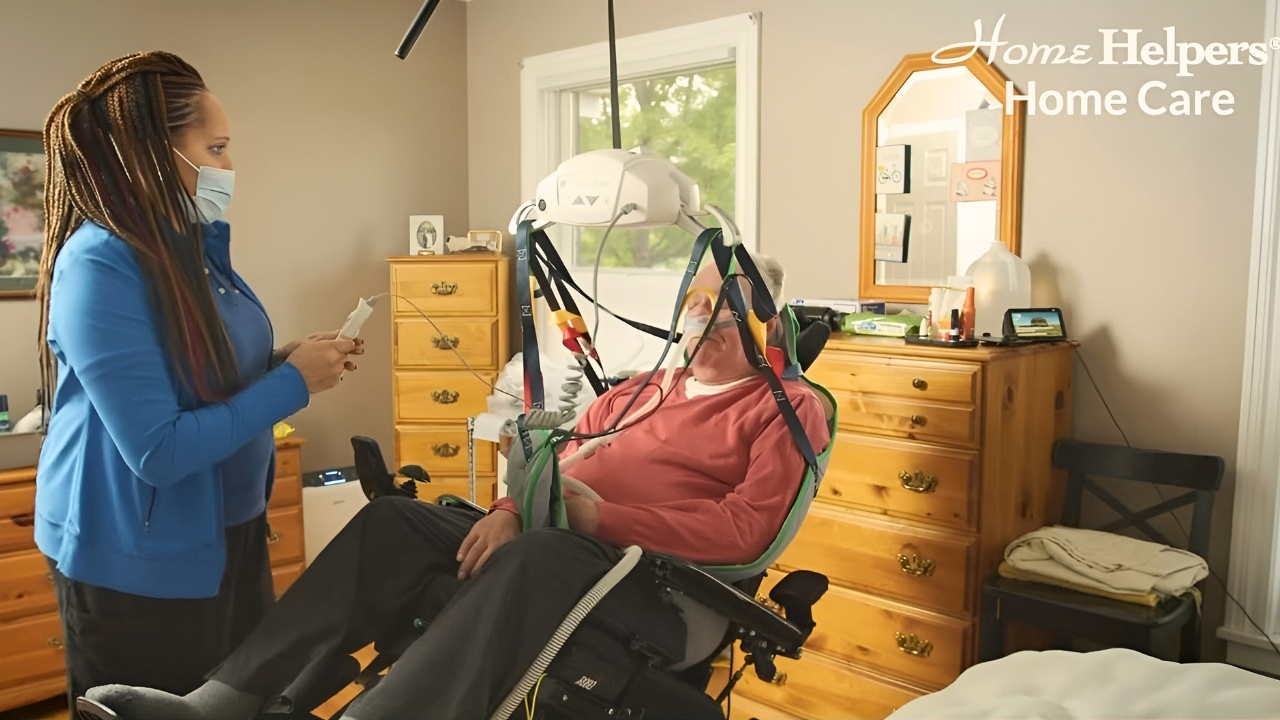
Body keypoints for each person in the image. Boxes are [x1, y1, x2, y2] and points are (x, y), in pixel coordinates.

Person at [80, 258, 830, 720]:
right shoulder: (638, 391)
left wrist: (610, 518)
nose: (707, 332)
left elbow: (747, 533)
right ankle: (220, 704)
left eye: (728, 319)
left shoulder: (788, 410)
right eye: (698, 314)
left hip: (662, 589)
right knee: (400, 521)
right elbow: (555, 466)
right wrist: (507, 508)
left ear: (768, 327)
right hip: (556, 544)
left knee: (543, 553)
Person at [33, 51, 360, 707]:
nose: (229, 167)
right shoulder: (102, 266)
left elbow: (198, 375)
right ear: (154, 154)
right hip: (136, 562)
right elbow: (159, 449)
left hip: (229, 536)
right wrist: (292, 384)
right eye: (215, 147)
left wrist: (281, 362)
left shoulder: (196, 251)